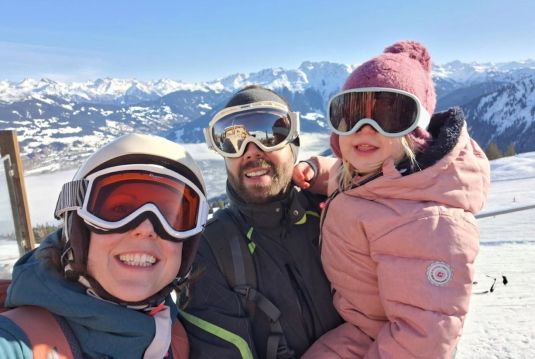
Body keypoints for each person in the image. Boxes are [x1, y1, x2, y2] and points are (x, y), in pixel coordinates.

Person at [293, 41, 491, 358]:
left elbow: (422, 338)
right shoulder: (373, 172)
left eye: (389, 114)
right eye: (350, 114)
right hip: (357, 321)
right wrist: (315, 170)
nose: (365, 129)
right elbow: (348, 179)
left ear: (417, 130)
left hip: (377, 339)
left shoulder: (429, 224)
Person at [0, 133, 209, 358]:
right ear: (77, 231)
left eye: (170, 216)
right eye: (119, 210)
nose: (146, 228)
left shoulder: (173, 336)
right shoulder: (15, 344)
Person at [180, 85, 342, 359]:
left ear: (293, 145)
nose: (251, 151)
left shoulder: (333, 212)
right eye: (232, 141)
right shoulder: (212, 249)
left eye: (269, 135)